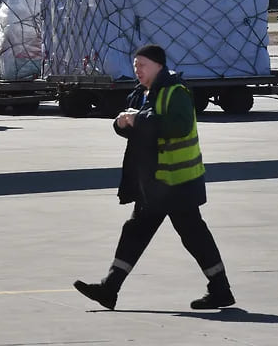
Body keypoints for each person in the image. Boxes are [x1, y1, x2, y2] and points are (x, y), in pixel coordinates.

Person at [73, 43, 234, 311]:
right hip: (155, 182)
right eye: (135, 66)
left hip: (177, 180)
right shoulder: (142, 93)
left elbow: (177, 126)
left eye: (142, 65)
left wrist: (139, 121)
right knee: (141, 231)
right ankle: (110, 288)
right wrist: (121, 123)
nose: (137, 70)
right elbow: (138, 127)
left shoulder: (176, 92)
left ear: (158, 65)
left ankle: (220, 289)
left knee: (191, 235)